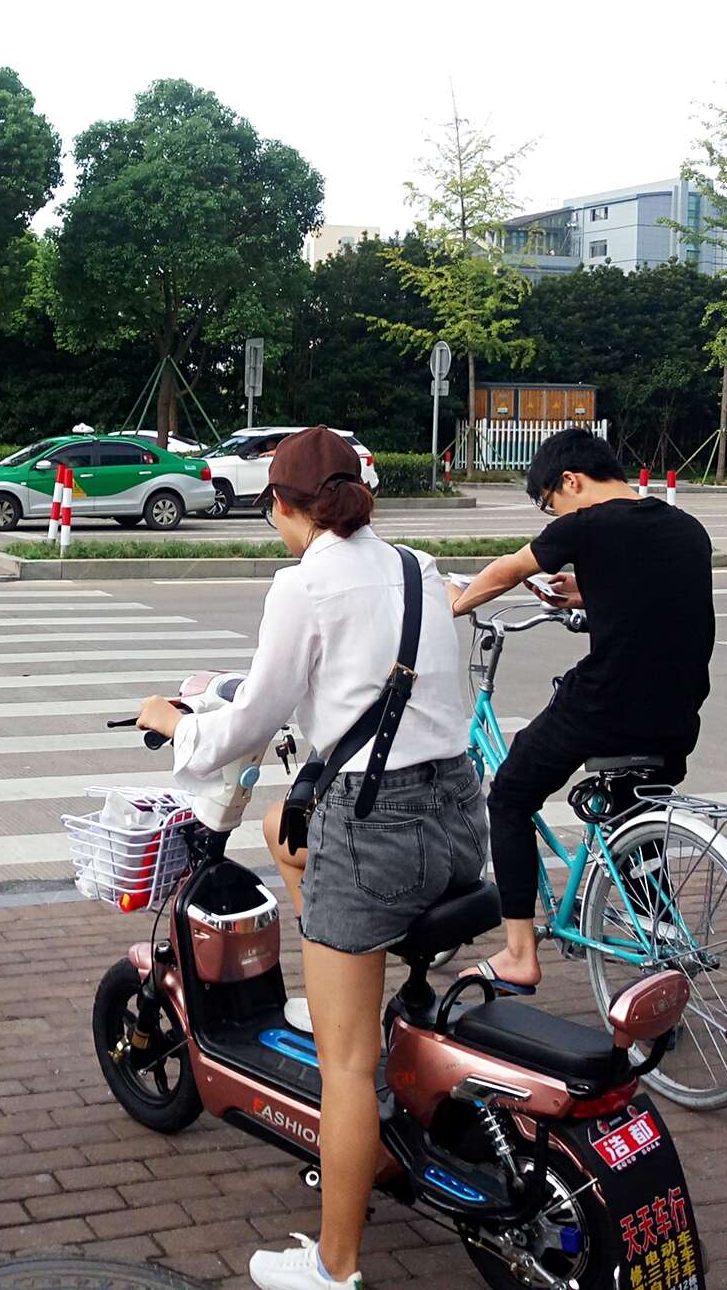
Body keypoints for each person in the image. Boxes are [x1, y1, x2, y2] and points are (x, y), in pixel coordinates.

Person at [133, 426, 475, 1290]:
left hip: (377, 830)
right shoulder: (418, 568)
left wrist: (176, 723)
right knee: (283, 826)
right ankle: (331, 994)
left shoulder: (302, 583)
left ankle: (334, 1267)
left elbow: (251, 721)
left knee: (346, 1069)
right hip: (454, 817)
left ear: (285, 507)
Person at [449, 426, 715, 992]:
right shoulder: (686, 527)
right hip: (677, 711)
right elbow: (654, 598)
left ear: (570, 481)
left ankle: (519, 954)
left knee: (511, 795)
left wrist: (454, 603)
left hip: (607, 705)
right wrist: (584, 593)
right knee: (631, 814)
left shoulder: (587, 524)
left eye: (550, 504)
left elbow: (507, 570)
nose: (555, 516)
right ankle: (662, 939)